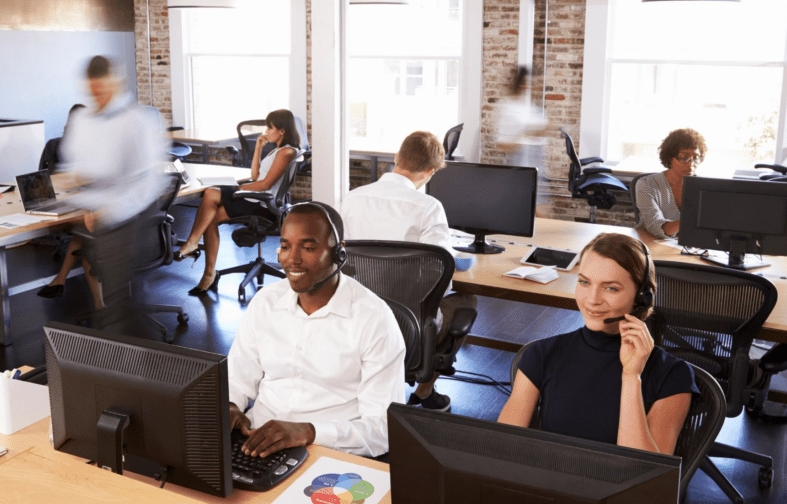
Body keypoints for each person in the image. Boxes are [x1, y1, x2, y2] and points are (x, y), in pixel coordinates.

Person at [227, 202, 405, 459]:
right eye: (285, 246)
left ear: (338, 254)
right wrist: (231, 406)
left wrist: (309, 432)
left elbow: (383, 429)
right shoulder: (266, 302)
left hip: (328, 451)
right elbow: (237, 376)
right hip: (257, 442)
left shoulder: (374, 319)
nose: (292, 259)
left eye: (308, 248)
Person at [498, 233, 698, 454]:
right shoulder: (542, 354)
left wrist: (631, 377)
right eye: (584, 282)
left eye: (611, 288)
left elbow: (644, 470)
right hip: (548, 475)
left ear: (642, 297)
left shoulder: (673, 376)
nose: (592, 300)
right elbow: (502, 449)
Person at [340, 130, 477, 413]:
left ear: (396, 157)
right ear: (429, 171)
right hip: (408, 324)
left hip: (357, 319)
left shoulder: (350, 199)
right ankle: (425, 392)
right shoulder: (429, 208)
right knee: (467, 300)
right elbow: (441, 274)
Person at [58, 55, 166, 332]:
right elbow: (73, 164)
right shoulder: (82, 119)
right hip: (96, 217)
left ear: (117, 83)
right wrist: (79, 184)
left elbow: (148, 182)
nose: (99, 96)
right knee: (114, 305)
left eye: (103, 89)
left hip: (129, 220)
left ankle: (131, 353)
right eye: (93, 90)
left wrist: (111, 210)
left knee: (119, 308)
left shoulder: (136, 121)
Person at [173, 109, 302, 296]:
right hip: (255, 197)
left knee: (210, 193)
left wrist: (238, 189)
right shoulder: (278, 149)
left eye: (270, 127)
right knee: (210, 216)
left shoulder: (287, 151)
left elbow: (265, 184)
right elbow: (255, 176)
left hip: (261, 204)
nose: (266, 131)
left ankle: (193, 245)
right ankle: (208, 272)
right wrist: (258, 147)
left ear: (281, 131)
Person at [36, 104, 102, 306]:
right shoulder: (64, 147)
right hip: (77, 202)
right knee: (83, 233)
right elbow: (49, 179)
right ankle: (61, 280)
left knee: (86, 237)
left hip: (101, 209)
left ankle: (97, 304)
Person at [634, 128, 708, 239]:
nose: (691, 164)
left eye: (696, 158)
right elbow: (655, 226)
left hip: (687, 245)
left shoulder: (704, 188)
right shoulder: (647, 184)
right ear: (669, 158)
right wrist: (692, 220)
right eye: (684, 158)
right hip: (651, 243)